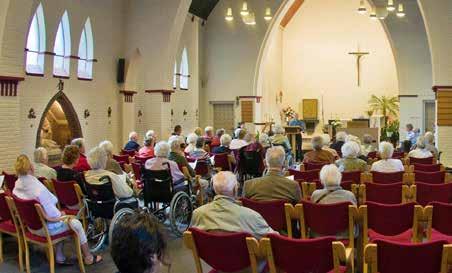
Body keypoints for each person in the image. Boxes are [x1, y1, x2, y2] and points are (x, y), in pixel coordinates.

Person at [12, 155, 102, 266]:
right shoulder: (37, 189)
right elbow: (52, 215)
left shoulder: (16, 187)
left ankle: (60, 256)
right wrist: (61, 214)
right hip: (45, 229)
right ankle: (88, 257)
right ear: (31, 168)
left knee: (64, 221)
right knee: (76, 223)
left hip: (31, 227)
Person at [190, 171, 276, 239]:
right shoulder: (251, 216)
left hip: (213, 259)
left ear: (214, 189)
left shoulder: (197, 214)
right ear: (235, 189)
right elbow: (274, 238)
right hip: (247, 260)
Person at [310, 164, 357, 239]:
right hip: (345, 235)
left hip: (319, 235)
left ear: (321, 179)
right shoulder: (349, 196)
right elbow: (355, 218)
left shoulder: (315, 195)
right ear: (340, 178)